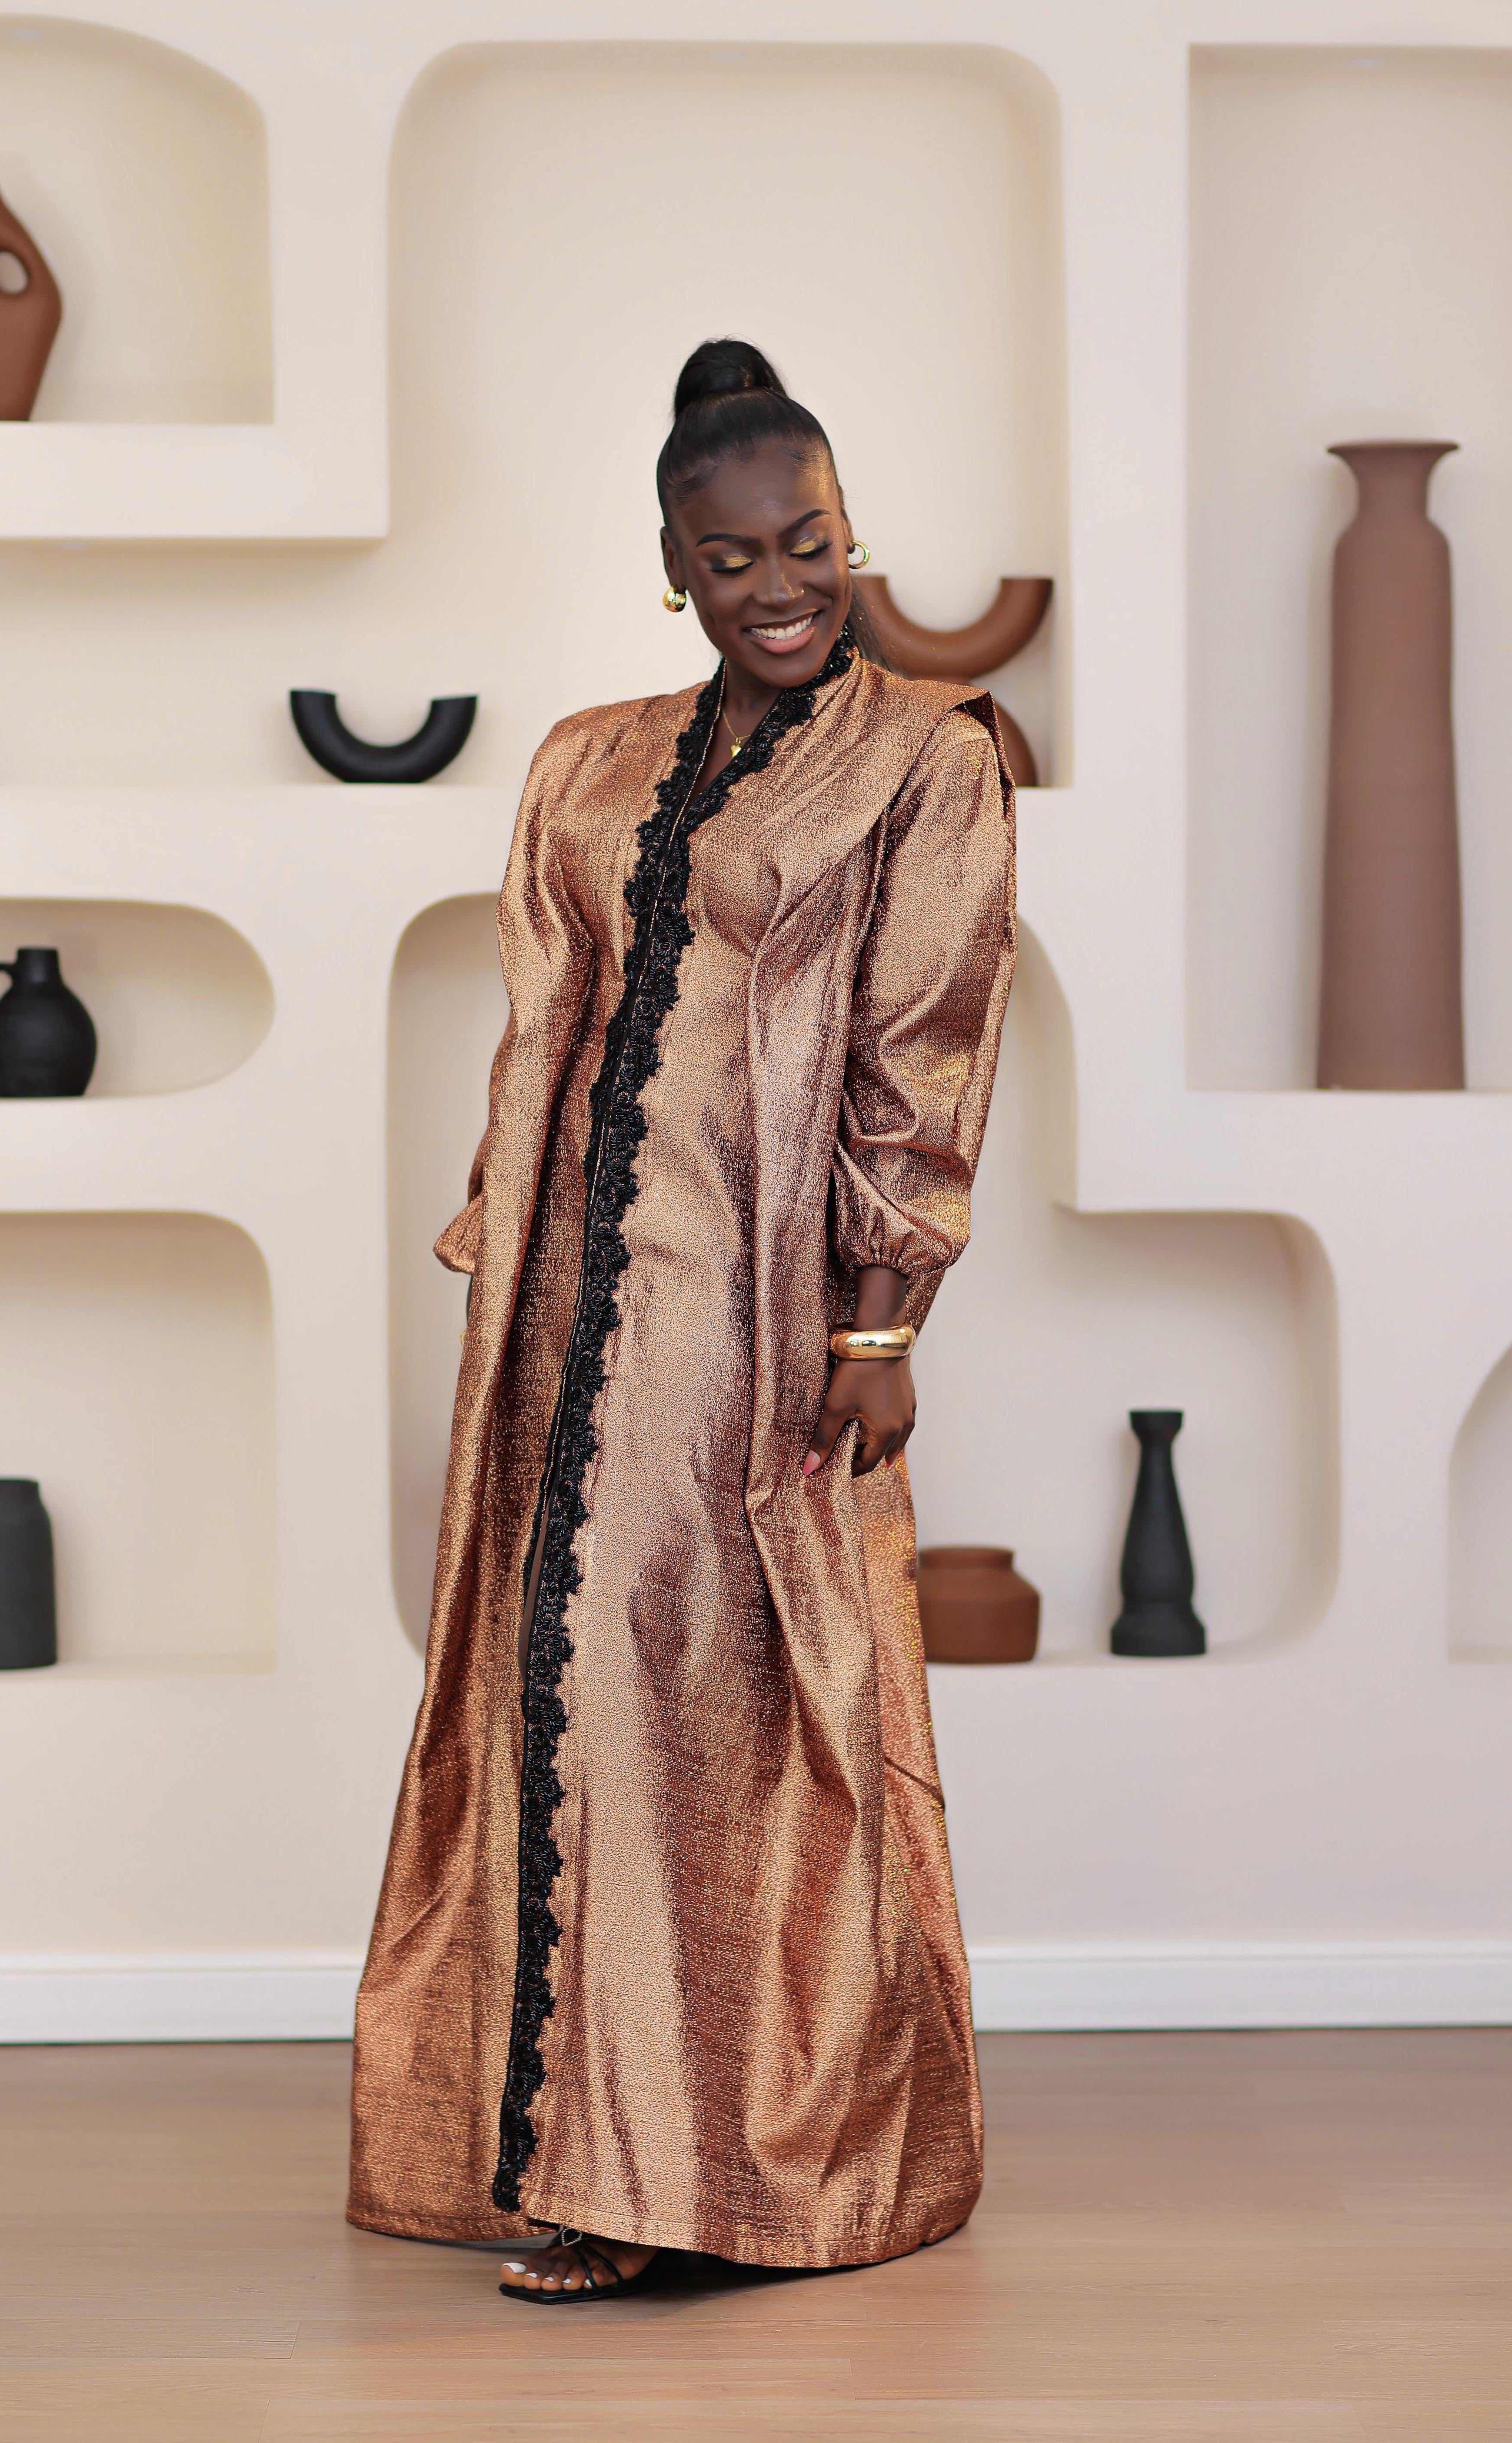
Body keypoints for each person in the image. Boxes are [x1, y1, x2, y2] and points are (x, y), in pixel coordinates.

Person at [350, 339, 1017, 2303]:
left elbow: (921, 1058)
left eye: (807, 540)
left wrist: (878, 1332)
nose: (779, 584)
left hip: (755, 1336)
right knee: (553, 1685)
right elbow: (540, 1020)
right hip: (565, 1321)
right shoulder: (588, 757)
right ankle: (566, 2145)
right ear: (672, 561)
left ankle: (699, 2171)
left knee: (723, 1710)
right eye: (731, 556)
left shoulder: (930, 755)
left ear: (846, 530)